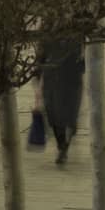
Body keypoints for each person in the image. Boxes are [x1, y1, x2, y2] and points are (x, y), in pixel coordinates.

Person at [36, 37, 84, 165]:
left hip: (69, 81)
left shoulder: (76, 31)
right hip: (54, 80)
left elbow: (82, 58)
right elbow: (40, 58)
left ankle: (63, 146)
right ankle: (62, 146)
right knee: (55, 116)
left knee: (66, 116)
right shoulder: (49, 32)